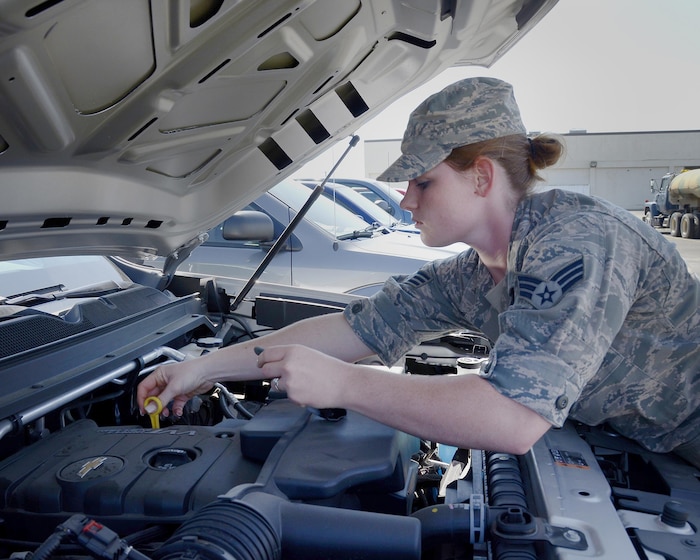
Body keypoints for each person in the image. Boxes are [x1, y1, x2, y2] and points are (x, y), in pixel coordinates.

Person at [137, 77, 700, 467]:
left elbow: (512, 419)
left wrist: (344, 384)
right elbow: (354, 330)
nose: (406, 200)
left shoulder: (578, 242)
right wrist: (205, 366)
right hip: (648, 442)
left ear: (481, 177)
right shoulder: (472, 274)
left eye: (422, 182)